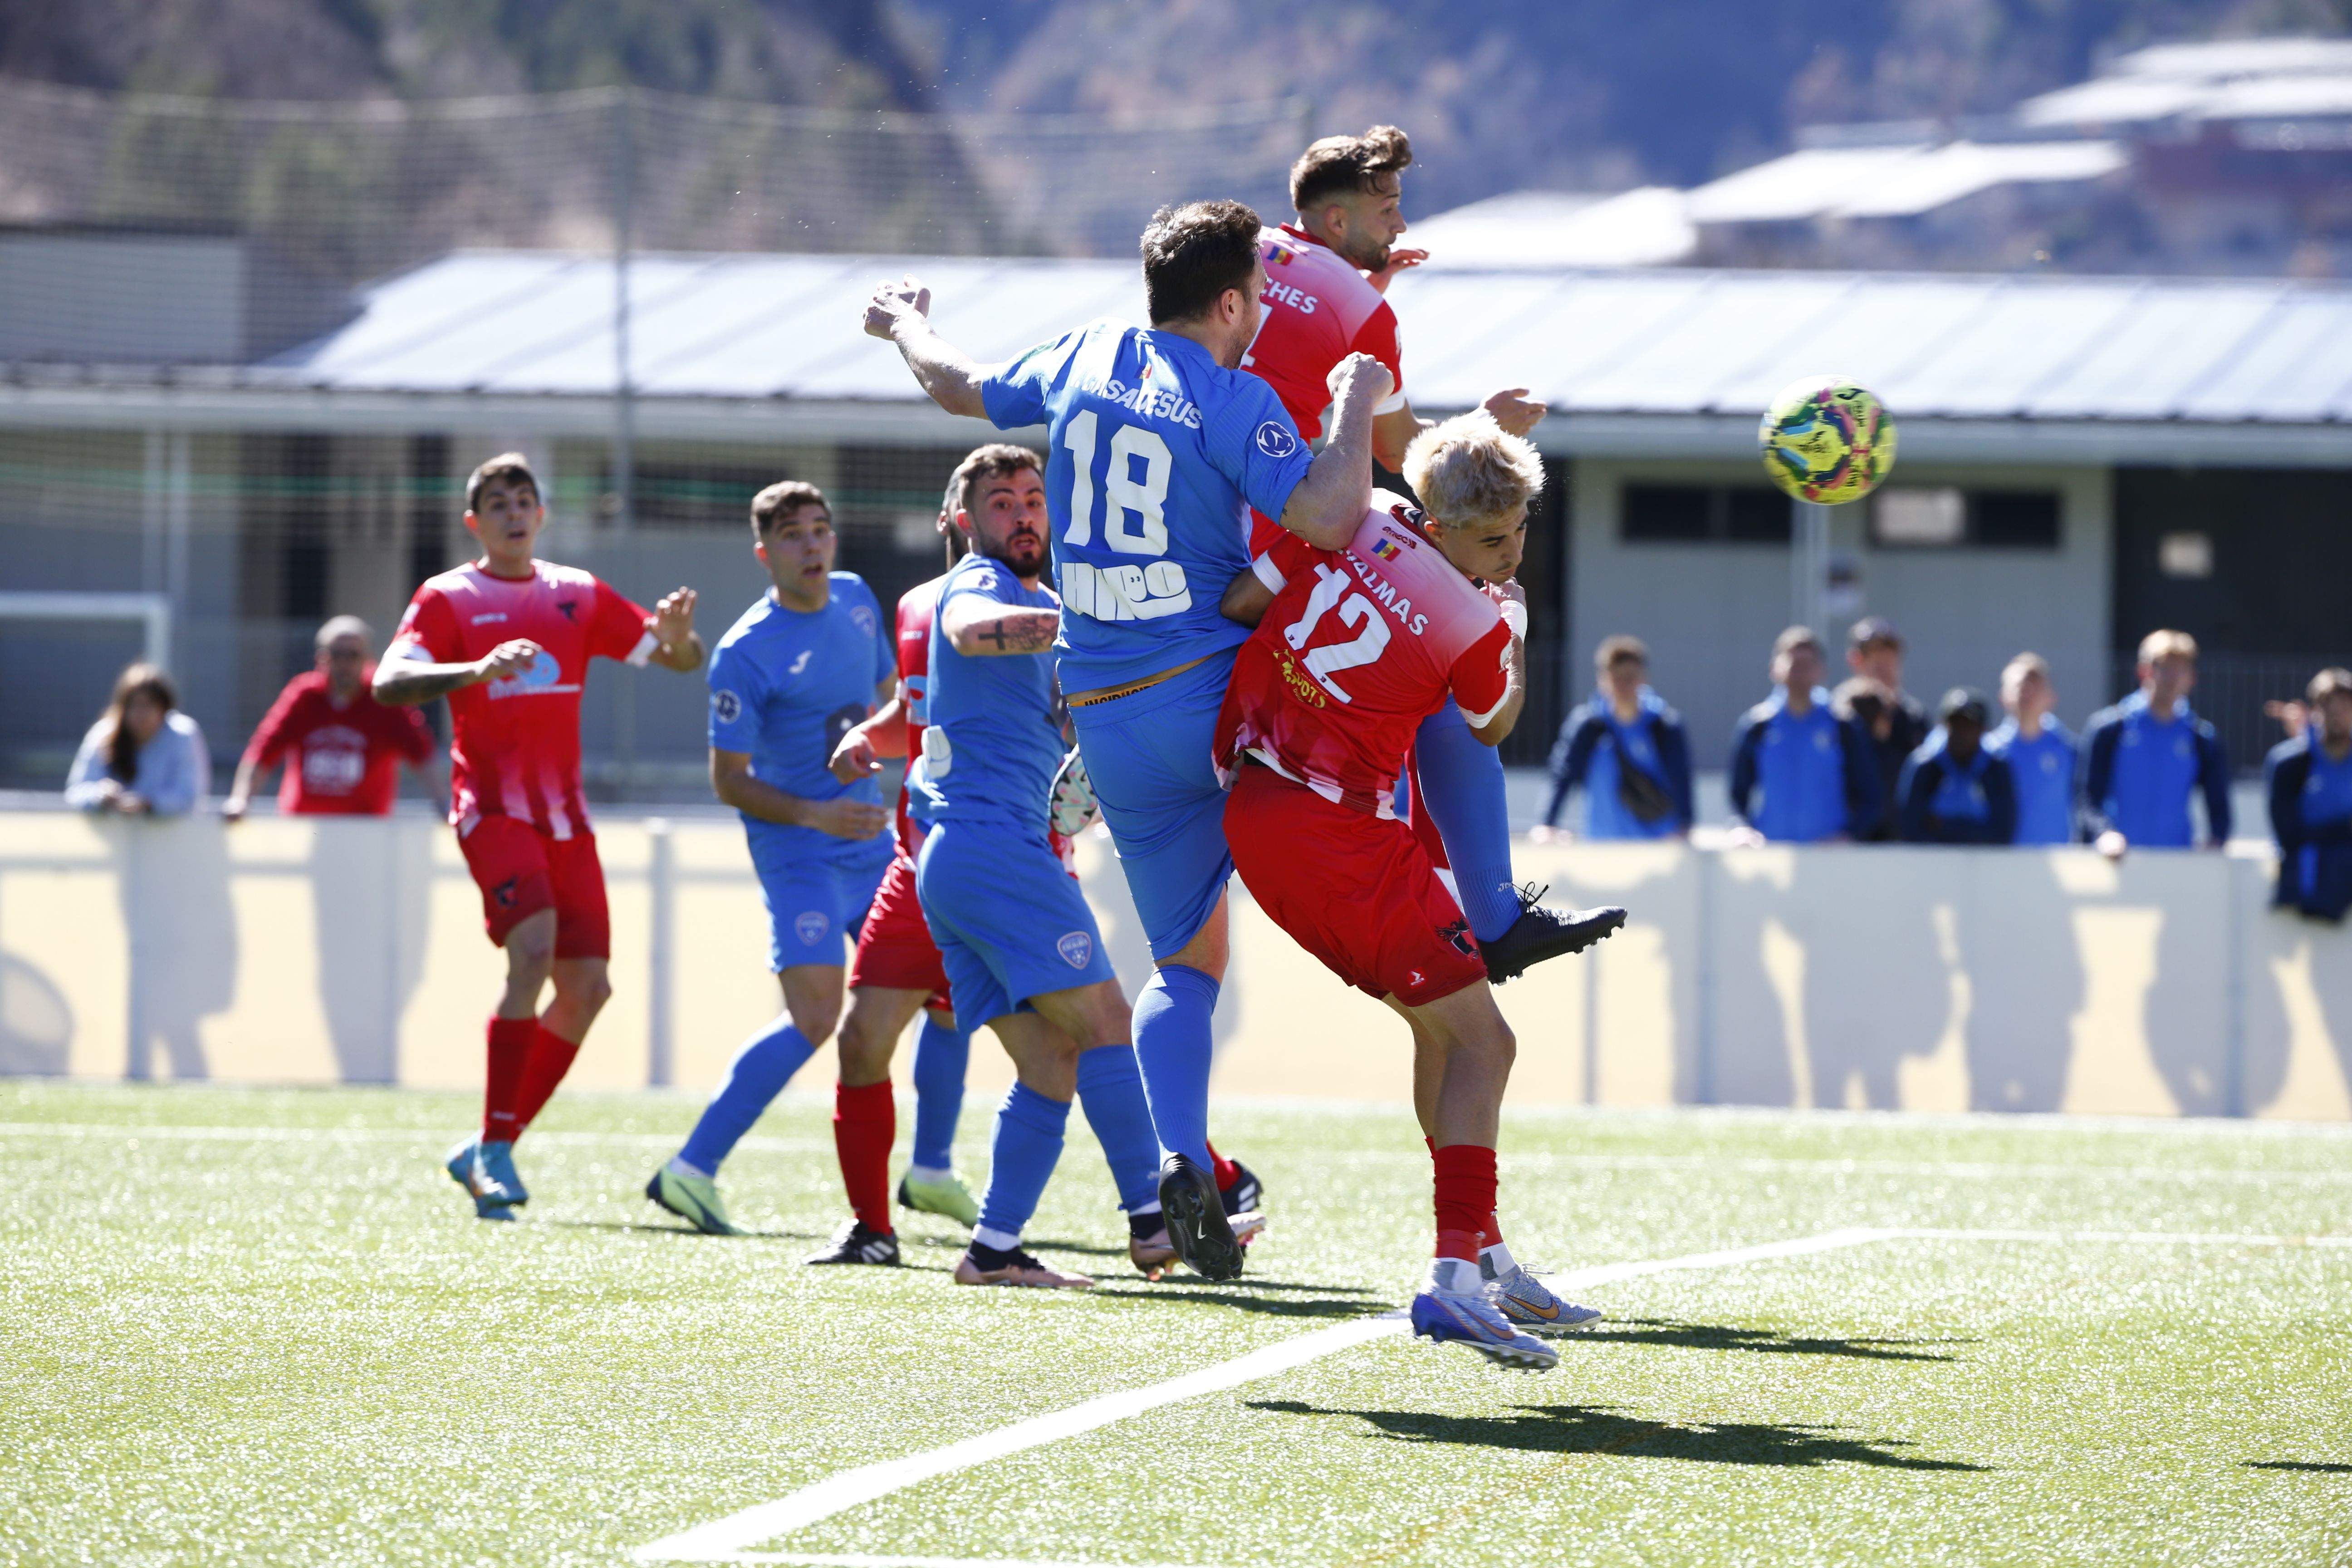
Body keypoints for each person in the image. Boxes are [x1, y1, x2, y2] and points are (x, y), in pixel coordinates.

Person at [863, 197, 1391, 1280]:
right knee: (1358, 609)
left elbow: (956, 384)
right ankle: (1455, 909)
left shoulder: (1082, 354)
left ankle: (1181, 1159)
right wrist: (1351, 402)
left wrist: (905, 321)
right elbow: (1333, 510)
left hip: (1102, 715)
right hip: (1206, 702)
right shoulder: (1229, 396)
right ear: (1234, 301)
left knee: (1182, 962)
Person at [1215, 412, 1622, 1368]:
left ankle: (1482, 1251)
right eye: (1494, 538)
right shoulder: (1478, 620)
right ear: (1440, 528)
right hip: (1341, 835)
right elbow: (1492, 724)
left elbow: (1241, 599)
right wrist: (1512, 629)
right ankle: (1452, 1277)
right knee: (1487, 1040)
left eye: (1522, 531)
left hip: (1262, 808)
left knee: (1443, 1035)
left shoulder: (1352, 516)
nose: (1512, 551)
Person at [1244, 123, 1573, 976]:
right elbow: (1406, 460)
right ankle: (1483, 909)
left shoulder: (1238, 256)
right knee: (1445, 673)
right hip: (1295, 531)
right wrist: (1484, 428)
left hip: (1200, 530)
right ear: (1332, 217)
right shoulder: (1363, 314)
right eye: (1384, 210)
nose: (1397, 224)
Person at [894, 440, 1218, 1289]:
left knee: (1050, 1063)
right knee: (1109, 1025)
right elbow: (965, 631)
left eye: (1032, 498)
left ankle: (993, 1251)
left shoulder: (1039, 601)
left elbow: (1064, 726)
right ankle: (1152, 1227)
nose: (1022, 513)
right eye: (1000, 502)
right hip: (995, 850)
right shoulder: (984, 585)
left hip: (960, 859)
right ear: (965, 521)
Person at [375, 452, 703, 1220]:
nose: (513, 513)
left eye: (524, 500)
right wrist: (475, 668)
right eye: (497, 503)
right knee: (533, 952)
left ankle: (490, 1145)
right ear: (473, 522)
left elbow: (678, 661)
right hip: (492, 809)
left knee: (588, 988)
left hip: (567, 820)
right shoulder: (448, 597)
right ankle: (494, 1150)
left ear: (542, 513)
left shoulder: (576, 594)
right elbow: (390, 683)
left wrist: (684, 640)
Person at [642, 480, 899, 1259]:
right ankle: (692, 1166)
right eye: (793, 536)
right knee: (816, 1017)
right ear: (765, 554)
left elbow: (891, 700)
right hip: (800, 854)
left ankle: (928, 1171)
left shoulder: (857, 600)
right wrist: (820, 813)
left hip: (874, 842)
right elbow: (728, 780)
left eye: (821, 529)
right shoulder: (744, 652)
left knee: (949, 994)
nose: (813, 545)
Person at [222, 616, 436, 821]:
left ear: (368, 659)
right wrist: (240, 800)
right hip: (304, 827)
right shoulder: (304, 696)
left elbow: (422, 755)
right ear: (321, 659)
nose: (345, 664)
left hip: (366, 831)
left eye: (353, 655)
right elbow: (262, 751)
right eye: (337, 655)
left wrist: (445, 804)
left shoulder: (384, 699)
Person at [2080, 629, 2231, 858]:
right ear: (2144, 671)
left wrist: (2215, 841)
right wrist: (2104, 834)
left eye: (2181, 670)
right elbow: (2088, 799)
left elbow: (2219, 808)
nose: (2172, 678)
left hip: (2176, 865)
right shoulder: (2110, 729)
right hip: (2118, 863)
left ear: (2191, 677)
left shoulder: (2201, 738)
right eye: (2165, 668)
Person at [1728, 627, 1881, 844]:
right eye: (1793, 663)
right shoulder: (1757, 725)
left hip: (1828, 858)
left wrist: (1849, 836)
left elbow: (1870, 795)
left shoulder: (1843, 725)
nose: (1799, 672)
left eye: (1807, 664)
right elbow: (1738, 796)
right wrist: (1741, 828)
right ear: (1774, 669)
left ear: (1821, 671)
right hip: (1773, 854)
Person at [1536, 636, 1694, 841]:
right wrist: (1547, 823)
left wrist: (1685, 825)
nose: (1623, 686)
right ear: (1602, 680)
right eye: (1615, 677)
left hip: (1658, 845)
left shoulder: (1664, 725)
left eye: (1630, 677)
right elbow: (1562, 774)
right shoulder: (1589, 725)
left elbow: (1681, 778)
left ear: (1643, 678)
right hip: (1603, 846)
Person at [2265, 667, 2352, 924]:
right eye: (2329, 707)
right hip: (2305, 885)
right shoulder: (2289, 763)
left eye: (2346, 707)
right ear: (2315, 710)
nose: (2338, 716)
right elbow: (2288, 833)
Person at [65, 663, 209, 818]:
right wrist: (100, 795)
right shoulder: (103, 735)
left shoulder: (184, 735)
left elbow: (189, 796)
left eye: (149, 705)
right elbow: (75, 792)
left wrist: (149, 804)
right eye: (134, 705)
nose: (141, 713)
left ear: (164, 708)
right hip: (114, 838)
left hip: (173, 839)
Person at [1845, 617, 1928, 842]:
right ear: (1856, 661)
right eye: (1877, 661)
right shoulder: (1838, 719)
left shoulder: (1914, 719)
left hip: (1901, 843)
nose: (1885, 670)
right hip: (1848, 842)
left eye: (1890, 661)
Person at [1897, 688, 2016, 845]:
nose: (1960, 733)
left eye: (1968, 726)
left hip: (1984, 865)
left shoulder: (1996, 768)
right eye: (1954, 724)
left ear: (1983, 730)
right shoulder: (1924, 765)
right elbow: (1910, 829)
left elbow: (2002, 832)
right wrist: (1975, 830)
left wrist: (1943, 826)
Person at [1984, 652, 2077, 848]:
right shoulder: (1988, 752)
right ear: (2003, 697)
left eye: (2036, 686)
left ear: (2051, 697)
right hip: (2003, 864)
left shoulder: (2069, 749)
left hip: (2057, 865)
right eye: (2020, 686)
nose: (2027, 693)